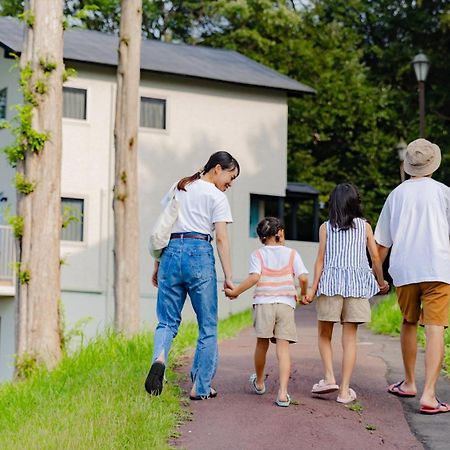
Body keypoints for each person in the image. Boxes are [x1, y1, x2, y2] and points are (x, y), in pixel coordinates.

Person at [145, 151, 240, 400]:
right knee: (207, 325)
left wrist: (157, 264)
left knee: (166, 321)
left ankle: (160, 357)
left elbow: (164, 227)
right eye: (231, 177)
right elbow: (221, 238)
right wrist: (229, 276)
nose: (230, 184)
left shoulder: (181, 186)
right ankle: (201, 386)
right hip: (199, 253)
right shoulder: (216, 197)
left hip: (171, 253)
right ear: (218, 169)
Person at [375, 138, 450, 415]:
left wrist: (375, 278)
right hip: (438, 269)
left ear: (408, 167)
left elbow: (381, 243)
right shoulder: (444, 193)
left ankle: (409, 383)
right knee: (435, 328)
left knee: (408, 321)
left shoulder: (397, 195)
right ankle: (430, 394)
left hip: (405, 270)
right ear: (433, 165)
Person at [306, 183, 389, 404]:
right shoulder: (365, 227)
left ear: (334, 204)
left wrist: (312, 289)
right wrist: (381, 283)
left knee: (324, 334)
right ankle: (343, 391)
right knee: (350, 339)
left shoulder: (325, 228)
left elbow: (320, 261)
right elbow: (376, 258)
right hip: (356, 286)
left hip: (331, 284)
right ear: (355, 203)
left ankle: (329, 378)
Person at [224, 217, 308, 407]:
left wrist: (235, 292)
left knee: (262, 344)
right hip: (286, 304)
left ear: (262, 238)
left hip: (263, 303)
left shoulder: (257, 255)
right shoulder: (292, 254)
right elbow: (303, 277)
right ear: (281, 233)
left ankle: (260, 383)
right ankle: (283, 394)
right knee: (283, 348)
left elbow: (254, 277)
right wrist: (304, 293)